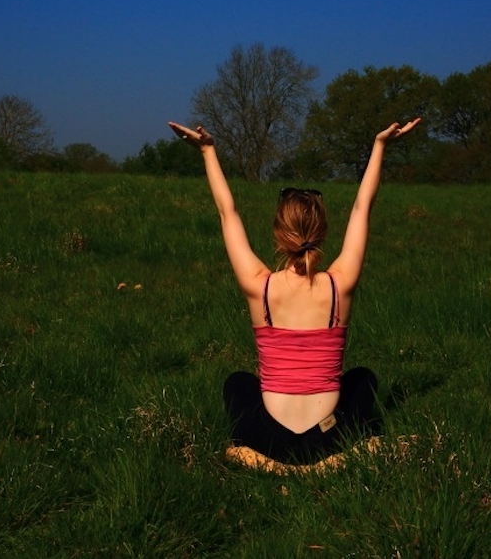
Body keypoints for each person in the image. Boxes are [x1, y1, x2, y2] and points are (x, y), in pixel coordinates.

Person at [169, 118, 421, 465]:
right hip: (329, 436)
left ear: (278, 233)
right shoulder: (339, 284)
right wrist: (380, 147)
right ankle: (341, 458)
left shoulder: (259, 286)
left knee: (238, 383)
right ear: (322, 232)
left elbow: (228, 213)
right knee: (363, 379)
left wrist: (207, 150)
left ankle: (263, 461)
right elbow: (363, 208)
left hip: (270, 438)